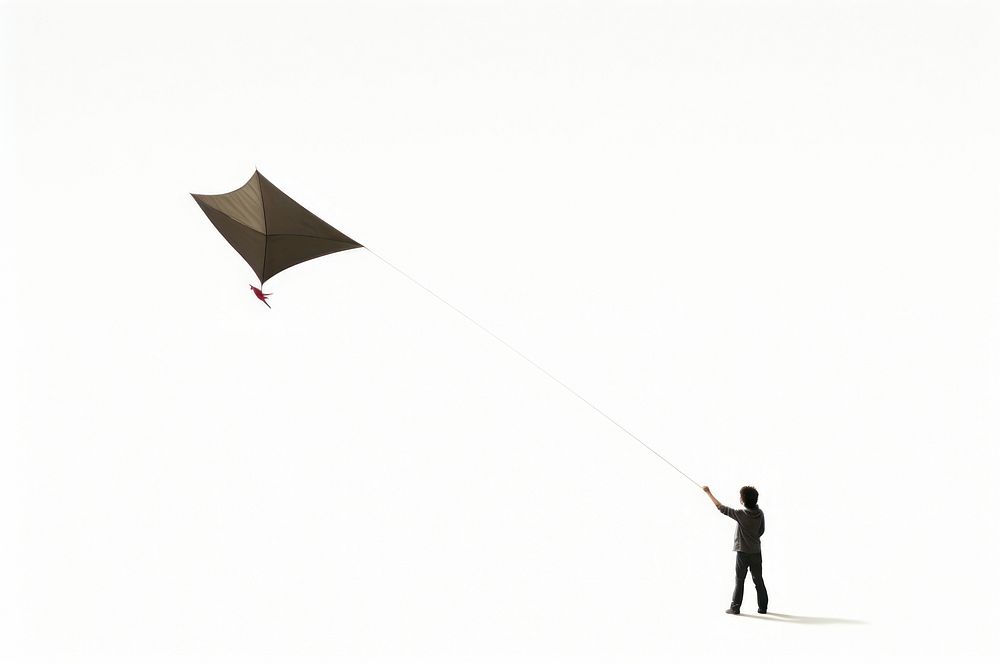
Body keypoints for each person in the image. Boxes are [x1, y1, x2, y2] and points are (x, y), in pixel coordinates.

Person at [703, 485, 768, 615]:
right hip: (756, 552)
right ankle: (762, 608)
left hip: (742, 553)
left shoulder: (740, 514)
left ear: (742, 501)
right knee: (758, 580)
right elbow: (762, 531)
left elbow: (720, 508)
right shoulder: (760, 513)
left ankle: (735, 607)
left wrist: (708, 492)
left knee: (740, 580)